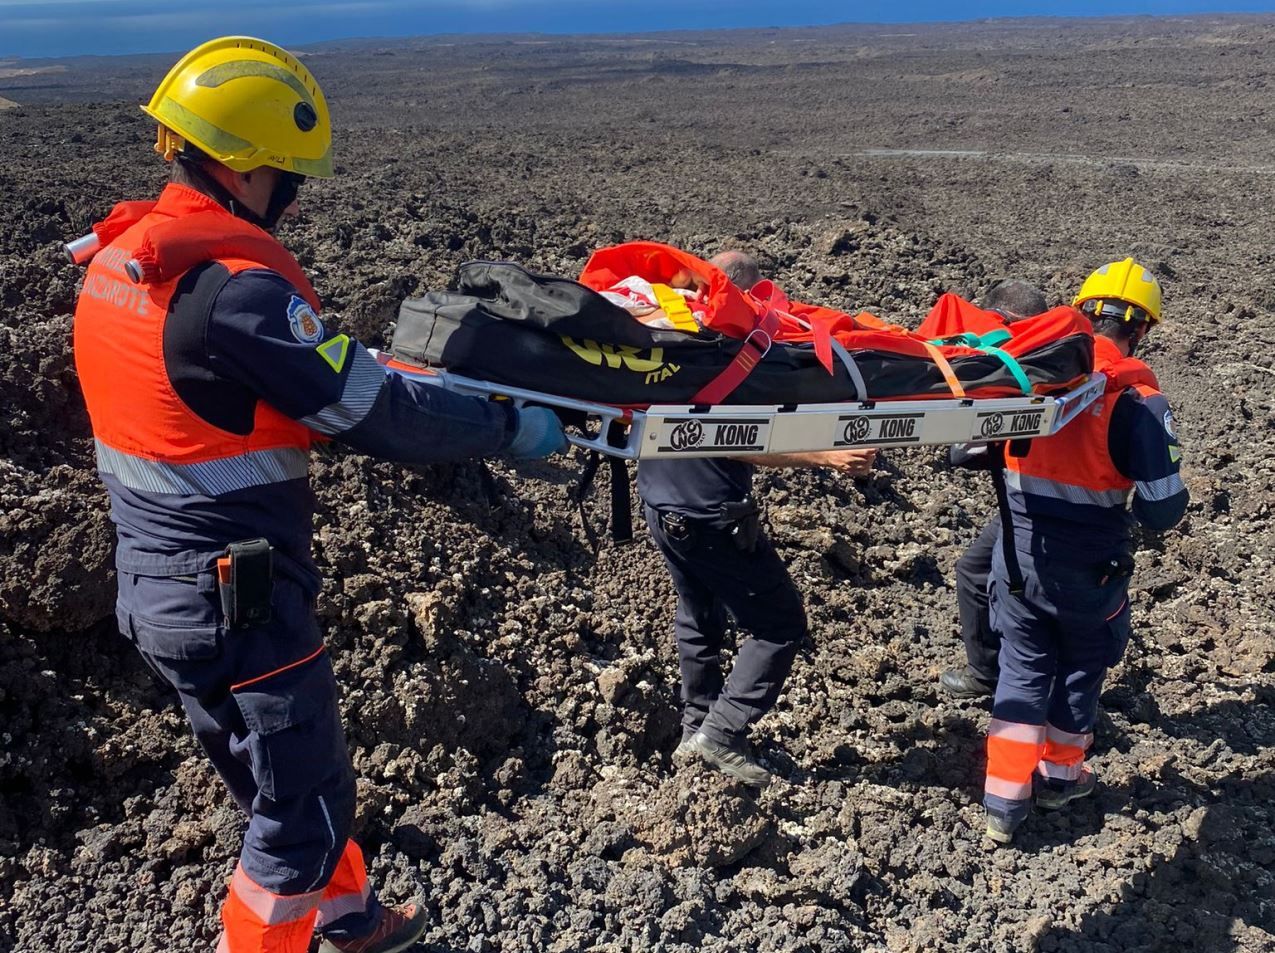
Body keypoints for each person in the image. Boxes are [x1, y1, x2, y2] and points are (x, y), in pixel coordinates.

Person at [71, 37, 566, 953]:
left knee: (279, 778)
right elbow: (372, 412)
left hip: (156, 586)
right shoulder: (234, 295)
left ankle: (347, 918)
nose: (293, 194)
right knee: (299, 809)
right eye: (287, 174)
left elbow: (239, 394)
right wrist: (505, 428)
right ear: (248, 165)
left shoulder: (121, 265)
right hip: (238, 598)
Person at [639, 250, 877, 787]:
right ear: (748, 294)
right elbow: (741, 438)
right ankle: (719, 735)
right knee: (780, 624)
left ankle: (695, 725)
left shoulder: (672, 340)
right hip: (710, 515)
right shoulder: (733, 352)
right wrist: (826, 455)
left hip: (660, 503)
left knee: (698, 616)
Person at [981, 258, 1188, 843]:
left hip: (1017, 557)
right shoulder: (1138, 402)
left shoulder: (1029, 377)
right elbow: (1163, 511)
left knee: (1022, 669)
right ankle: (1060, 778)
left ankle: (1002, 801)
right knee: (1080, 667)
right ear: (1141, 329)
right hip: (1089, 569)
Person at [938, 279, 1050, 699]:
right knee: (978, 570)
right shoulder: (1057, 360)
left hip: (1037, 505)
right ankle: (992, 672)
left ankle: (1007, 679)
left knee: (1006, 584)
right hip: (1051, 501)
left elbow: (963, 453)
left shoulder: (1015, 370)